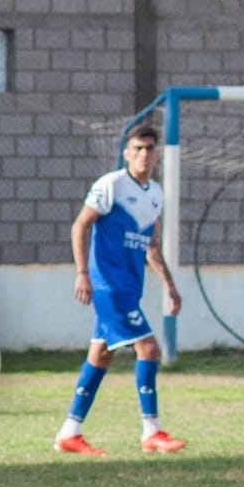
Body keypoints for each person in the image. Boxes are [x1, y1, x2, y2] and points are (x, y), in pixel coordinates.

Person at [54, 124, 184, 455]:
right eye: (137, 148)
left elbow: (151, 245)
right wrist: (82, 273)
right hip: (107, 286)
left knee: (101, 355)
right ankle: (151, 431)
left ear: (157, 154)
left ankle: (69, 432)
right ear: (126, 153)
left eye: (149, 149)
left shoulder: (155, 194)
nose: (144, 154)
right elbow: (80, 225)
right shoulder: (111, 185)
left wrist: (170, 286)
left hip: (129, 287)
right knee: (149, 348)